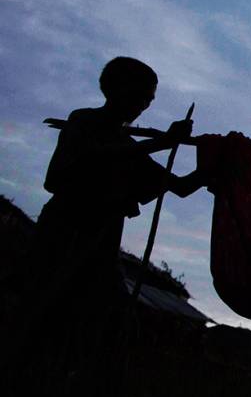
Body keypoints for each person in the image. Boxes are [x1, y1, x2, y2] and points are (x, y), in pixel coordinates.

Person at [27, 56, 204, 365]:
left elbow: (179, 187)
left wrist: (218, 161)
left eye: (149, 99)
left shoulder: (128, 146)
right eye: (140, 95)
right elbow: (62, 176)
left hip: (102, 247)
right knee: (46, 314)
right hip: (65, 236)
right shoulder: (83, 122)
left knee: (110, 324)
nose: (144, 105)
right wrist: (161, 142)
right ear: (115, 89)